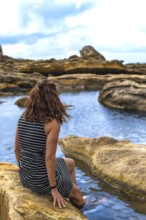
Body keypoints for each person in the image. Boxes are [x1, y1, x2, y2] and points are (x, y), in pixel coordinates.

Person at [14, 79, 85, 208]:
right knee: (81, 199)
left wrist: (23, 169)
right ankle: (75, 196)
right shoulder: (52, 123)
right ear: (53, 99)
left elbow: (16, 149)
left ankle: (71, 189)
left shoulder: (23, 117)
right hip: (42, 181)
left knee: (70, 163)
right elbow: (49, 157)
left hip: (25, 176)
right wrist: (53, 189)